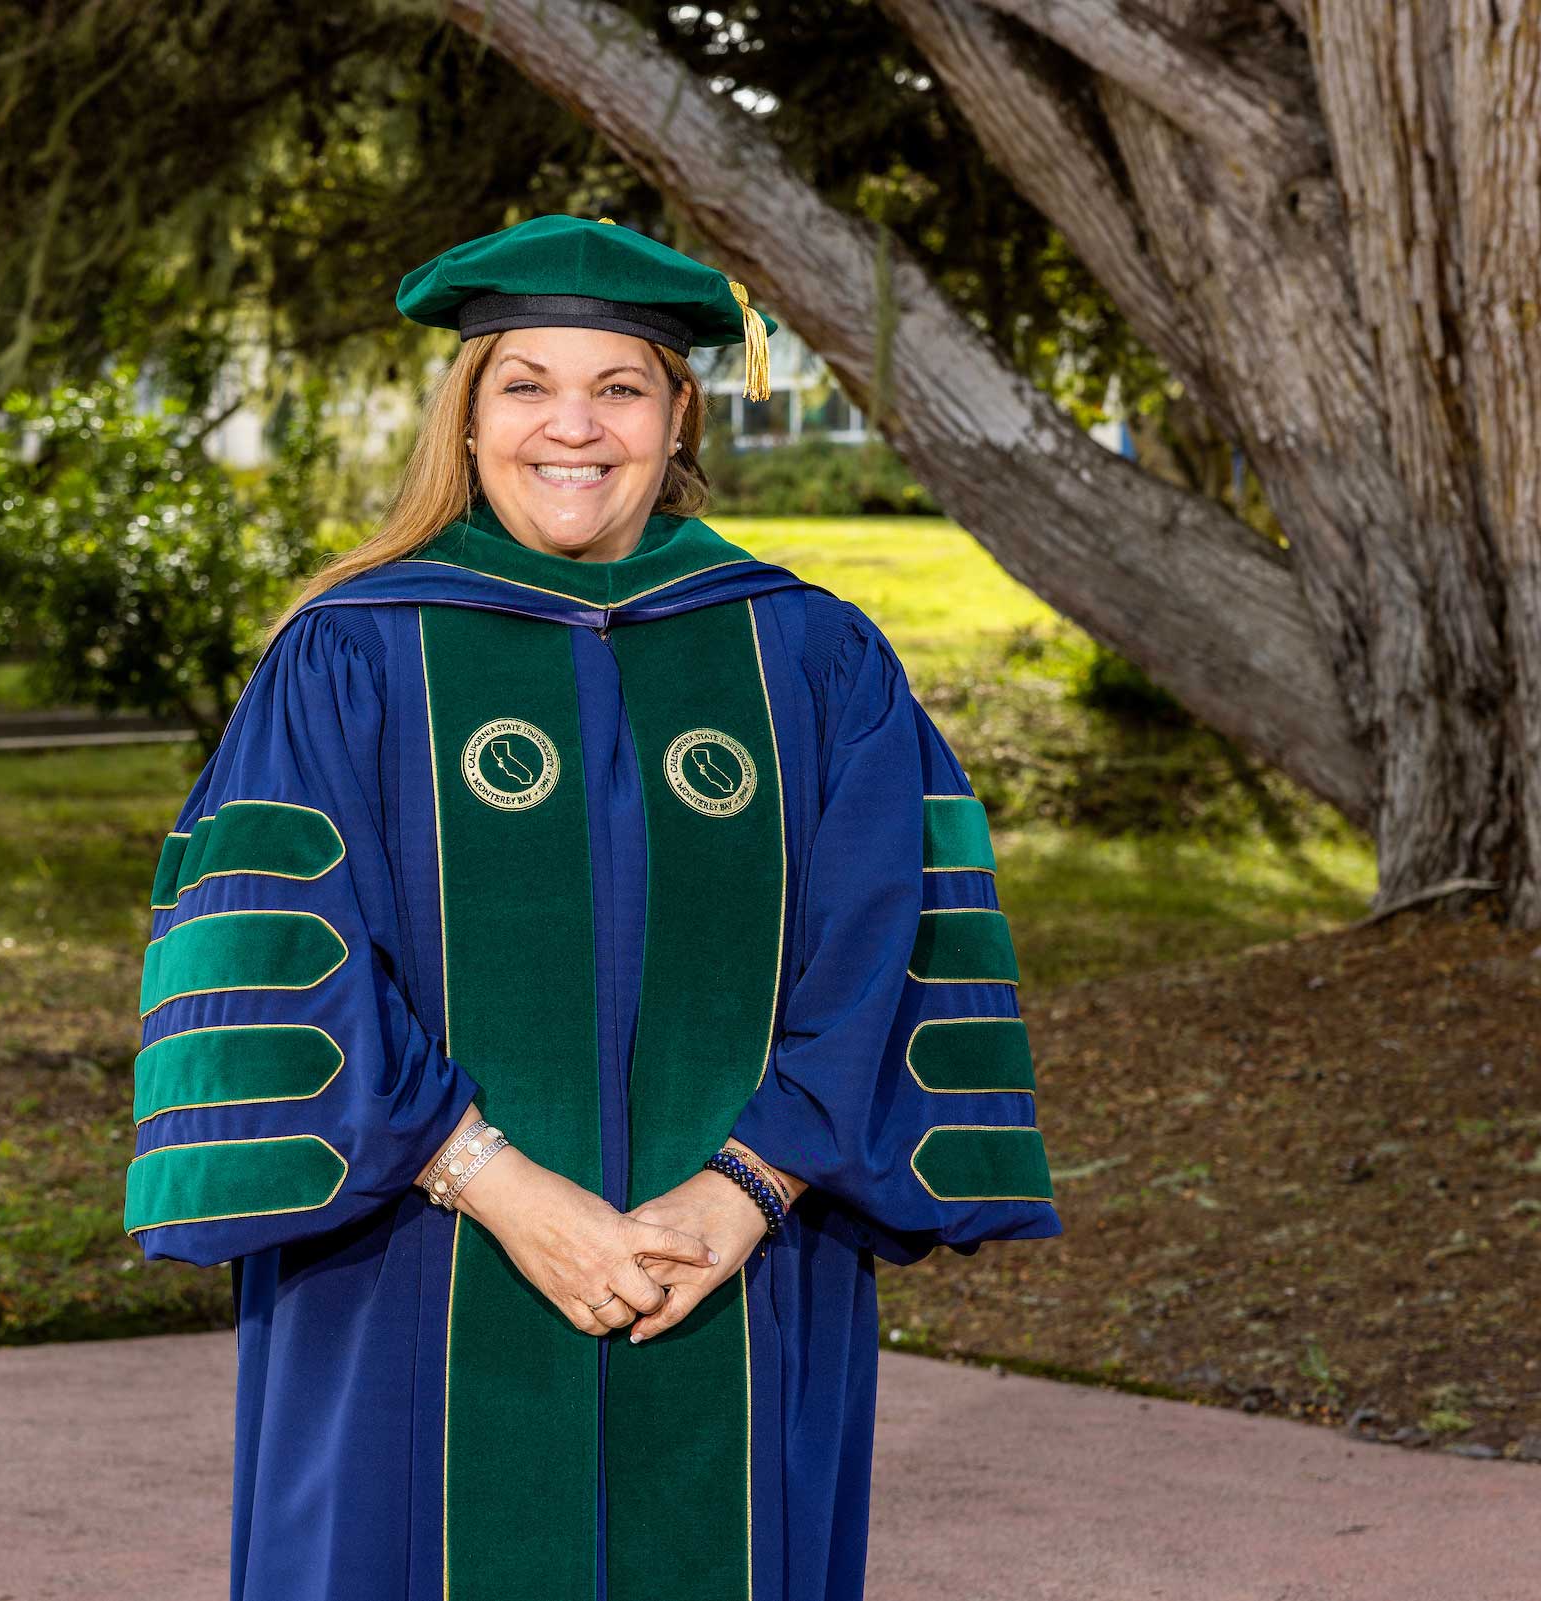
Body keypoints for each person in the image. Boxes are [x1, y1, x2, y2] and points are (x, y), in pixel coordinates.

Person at [122, 214, 1061, 1601]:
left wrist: (748, 1187)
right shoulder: (352, 653)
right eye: (527, 385)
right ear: (469, 411)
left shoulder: (809, 653)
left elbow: (886, 944)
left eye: (618, 386)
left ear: (679, 410)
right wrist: (502, 1188)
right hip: (417, 1264)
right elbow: (287, 957)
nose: (575, 427)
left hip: (738, 1263)